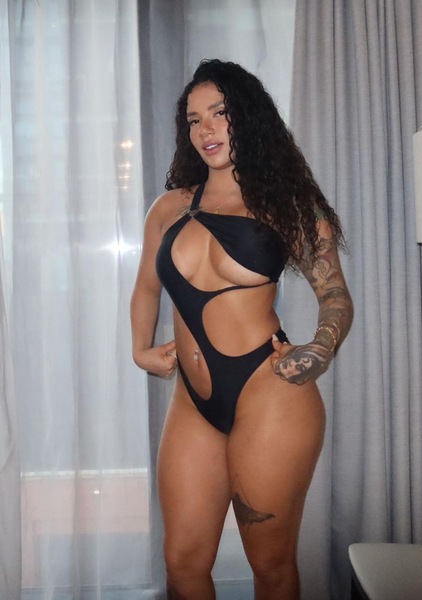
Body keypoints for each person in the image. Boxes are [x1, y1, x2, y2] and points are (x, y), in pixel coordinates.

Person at [130, 59, 353, 600]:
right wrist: (140, 350)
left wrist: (319, 350)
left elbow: (334, 297)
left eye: (220, 113)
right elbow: (145, 289)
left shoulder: (287, 205)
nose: (206, 129)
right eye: (194, 119)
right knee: (182, 561)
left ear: (247, 117)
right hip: (193, 402)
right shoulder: (169, 208)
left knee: (270, 564)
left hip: (269, 392)